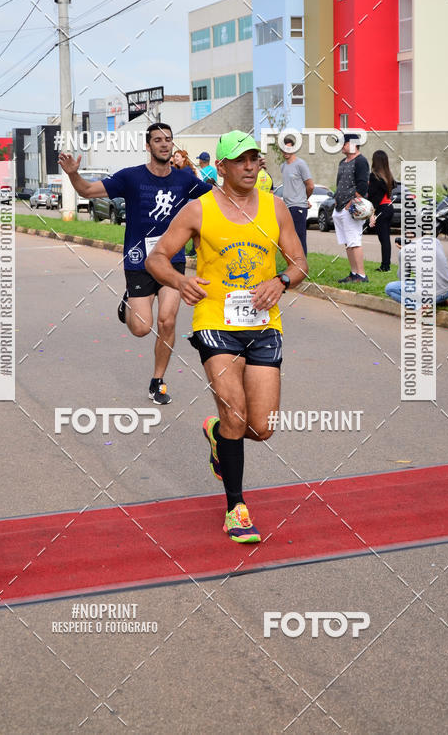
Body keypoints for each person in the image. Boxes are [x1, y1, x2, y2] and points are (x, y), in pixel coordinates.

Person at [146, 130, 307, 543]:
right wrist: (180, 282)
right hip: (215, 323)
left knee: (263, 426)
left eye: (255, 158)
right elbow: (157, 258)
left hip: (264, 325)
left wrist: (282, 281)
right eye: (241, 160)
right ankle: (236, 508)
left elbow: (299, 263)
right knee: (235, 413)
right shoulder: (199, 211)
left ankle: (217, 435)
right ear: (222, 167)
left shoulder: (276, 209)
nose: (251, 166)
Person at [58, 123, 211, 404]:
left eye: (168, 139)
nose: (164, 144)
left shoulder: (184, 180)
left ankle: (158, 381)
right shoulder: (130, 177)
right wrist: (73, 174)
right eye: (158, 140)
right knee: (141, 328)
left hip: (171, 261)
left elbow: (216, 200)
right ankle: (129, 300)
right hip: (139, 261)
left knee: (167, 321)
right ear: (148, 145)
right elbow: (88, 191)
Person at [332, 133, 370, 283]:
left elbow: (362, 185)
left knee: (354, 241)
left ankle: (361, 275)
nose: (341, 146)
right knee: (348, 242)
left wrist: (351, 204)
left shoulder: (361, 161)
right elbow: (339, 183)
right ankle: (354, 273)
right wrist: (336, 200)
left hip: (351, 208)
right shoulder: (342, 162)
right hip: (340, 207)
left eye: (344, 143)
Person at [385, 237, 448, 307]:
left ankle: (419, 306)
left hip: (432, 296)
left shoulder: (404, 251)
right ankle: (442, 301)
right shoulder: (436, 241)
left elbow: (403, 278)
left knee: (389, 288)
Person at [279, 135, 314, 255]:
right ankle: (293, 265)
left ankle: (302, 268)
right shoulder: (283, 166)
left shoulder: (300, 164)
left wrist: (304, 199)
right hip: (287, 207)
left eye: (288, 148)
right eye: (283, 149)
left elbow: (310, 185)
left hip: (298, 207)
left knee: (300, 237)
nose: (286, 151)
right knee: (289, 238)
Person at [367, 150, 395, 272]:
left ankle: (385, 266)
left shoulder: (374, 176)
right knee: (385, 239)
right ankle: (386, 265)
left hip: (382, 209)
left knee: (383, 239)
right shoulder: (389, 175)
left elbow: (373, 197)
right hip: (389, 208)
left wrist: (372, 215)